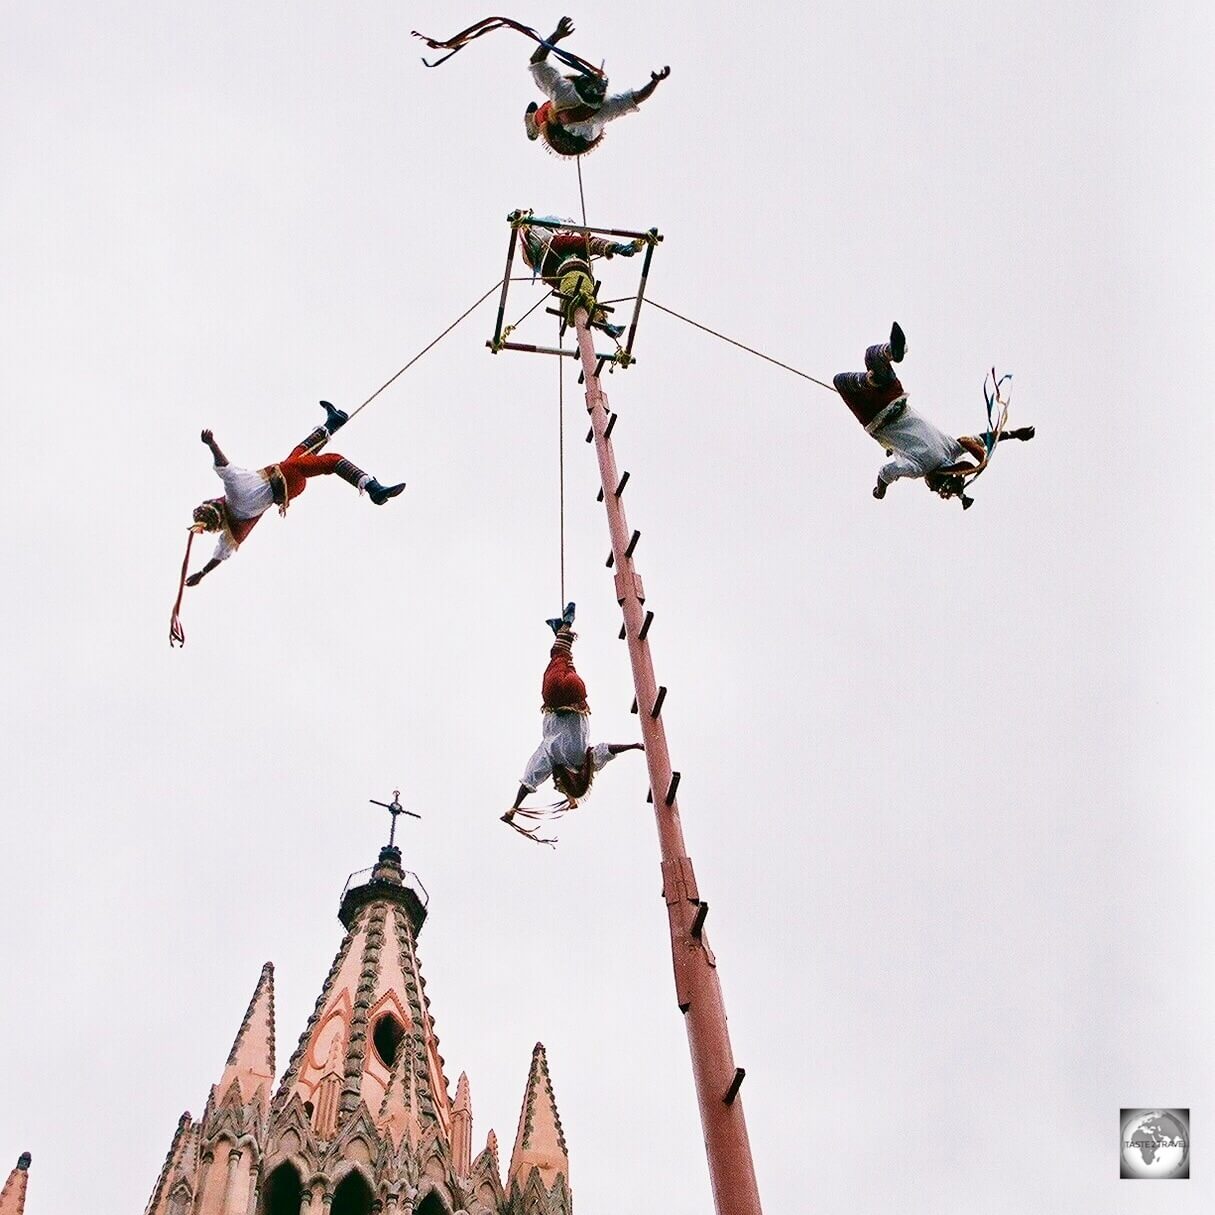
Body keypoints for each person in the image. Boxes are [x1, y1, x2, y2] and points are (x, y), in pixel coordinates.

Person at [184, 402, 405, 585]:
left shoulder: (235, 528)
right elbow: (223, 466)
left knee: (299, 454)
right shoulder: (235, 490)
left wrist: (202, 574)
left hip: (288, 486)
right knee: (332, 461)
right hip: (286, 477)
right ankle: (374, 490)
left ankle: (333, 422)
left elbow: (220, 554)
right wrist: (211, 443)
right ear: (215, 504)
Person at [833, 324, 1034, 508]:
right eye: (934, 488)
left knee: (872, 356)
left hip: (897, 400)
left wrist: (1014, 434)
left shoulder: (951, 448)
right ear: (936, 478)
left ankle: (884, 365)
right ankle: (871, 381)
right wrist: (880, 491)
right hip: (875, 416)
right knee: (840, 381)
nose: (929, 488)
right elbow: (886, 473)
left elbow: (984, 438)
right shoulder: (918, 468)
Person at [503, 603, 644, 838]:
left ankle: (562, 628)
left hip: (578, 696)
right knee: (558, 658)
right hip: (555, 698)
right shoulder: (551, 759)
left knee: (565, 660)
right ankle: (565, 626)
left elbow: (608, 748)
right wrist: (514, 808)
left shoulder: (588, 761)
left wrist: (635, 746)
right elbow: (528, 783)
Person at [525, 16, 669, 157]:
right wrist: (654, 82)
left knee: (553, 109)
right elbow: (635, 98)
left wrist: (556, 36)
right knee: (553, 108)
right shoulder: (568, 93)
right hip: (572, 131)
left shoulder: (565, 94)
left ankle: (535, 121)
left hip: (575, 138)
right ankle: (534, 122)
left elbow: (537, 61)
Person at [515, 215, 641, 337]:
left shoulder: (525, 242)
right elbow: (566, 223)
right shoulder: (535, 223)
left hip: (550, 271)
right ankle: (621, 248)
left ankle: (605, 325)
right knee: (588, 244)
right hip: (555, 247)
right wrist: (583, 233)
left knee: (583, 292)